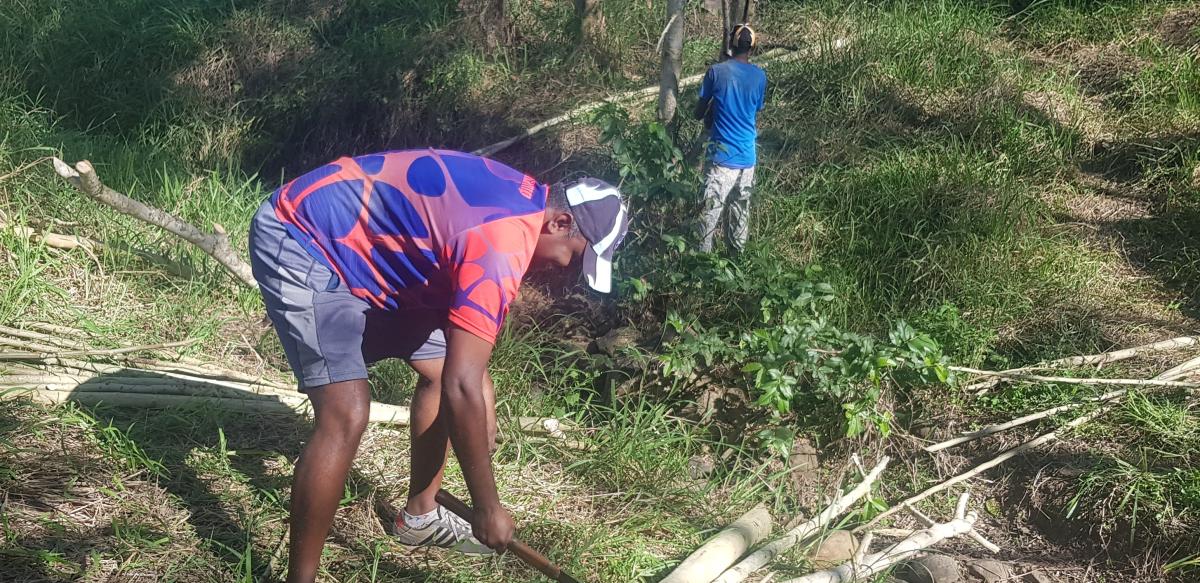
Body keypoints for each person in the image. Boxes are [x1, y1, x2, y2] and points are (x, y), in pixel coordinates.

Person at [247, 149, 629, 583]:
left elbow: (466, 377)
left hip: (374, 257)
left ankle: (420, 517)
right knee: (346, 411)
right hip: (303, 236)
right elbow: (462, 387)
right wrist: (486, 505)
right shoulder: (503, 244)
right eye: (575, 257)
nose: (566, 271)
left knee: (445, 369)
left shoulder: (522, 202)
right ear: (559, 223)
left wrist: (480, 428)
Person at [693, 23, 767, 254]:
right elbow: (754, 108)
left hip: (721, 159)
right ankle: (737, 263)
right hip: (748, 159)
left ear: (730, 45)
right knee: (740, 215)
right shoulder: (760, 76)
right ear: (752, 48)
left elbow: (698, 113)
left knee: (708, 217)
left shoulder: (716, 72)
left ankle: (701, 267)